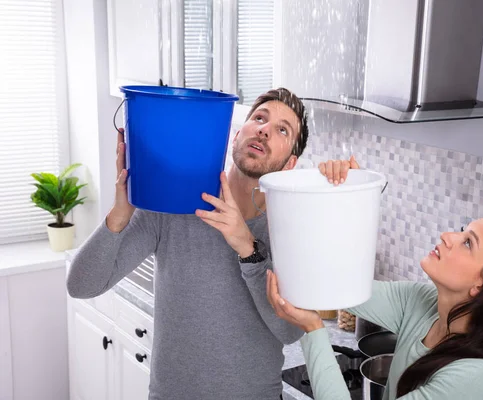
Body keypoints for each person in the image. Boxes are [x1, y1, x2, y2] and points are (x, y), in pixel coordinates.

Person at [66, 87, 356, 400]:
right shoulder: (174, 207)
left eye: (281, 130)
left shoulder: (288, 229)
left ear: (290, 164)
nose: (264, 130)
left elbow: (290, 331)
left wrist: (247, 247)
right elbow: (81, 285)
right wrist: (119, 214)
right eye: (260, 118)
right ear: (235, 135)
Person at [267, 214, 483, 400]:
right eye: (463, 230)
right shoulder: (426, 304)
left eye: (467, 242)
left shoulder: (474, 379)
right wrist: (346, 199)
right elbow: (334, 280)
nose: (447, 236)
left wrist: (312, 329)